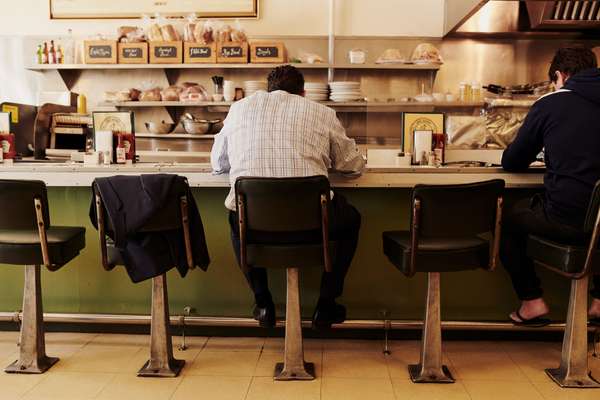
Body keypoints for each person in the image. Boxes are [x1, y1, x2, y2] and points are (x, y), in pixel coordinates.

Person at [211, 65, 365, 330]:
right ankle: (326, 303)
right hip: (315, 228)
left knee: (236, 217)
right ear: (303, 92)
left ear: (268, 90)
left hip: (256, 230)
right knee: (351, 219)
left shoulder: (239, 109)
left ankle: (262, 302)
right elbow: (351, 165)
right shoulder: (322, 112)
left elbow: (217, 163)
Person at [500, 47, 600, 326]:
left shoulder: (551, 103)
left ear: (560, 75)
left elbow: (513, 161)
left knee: (508, 221)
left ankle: (532, 301)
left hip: (566, 220)